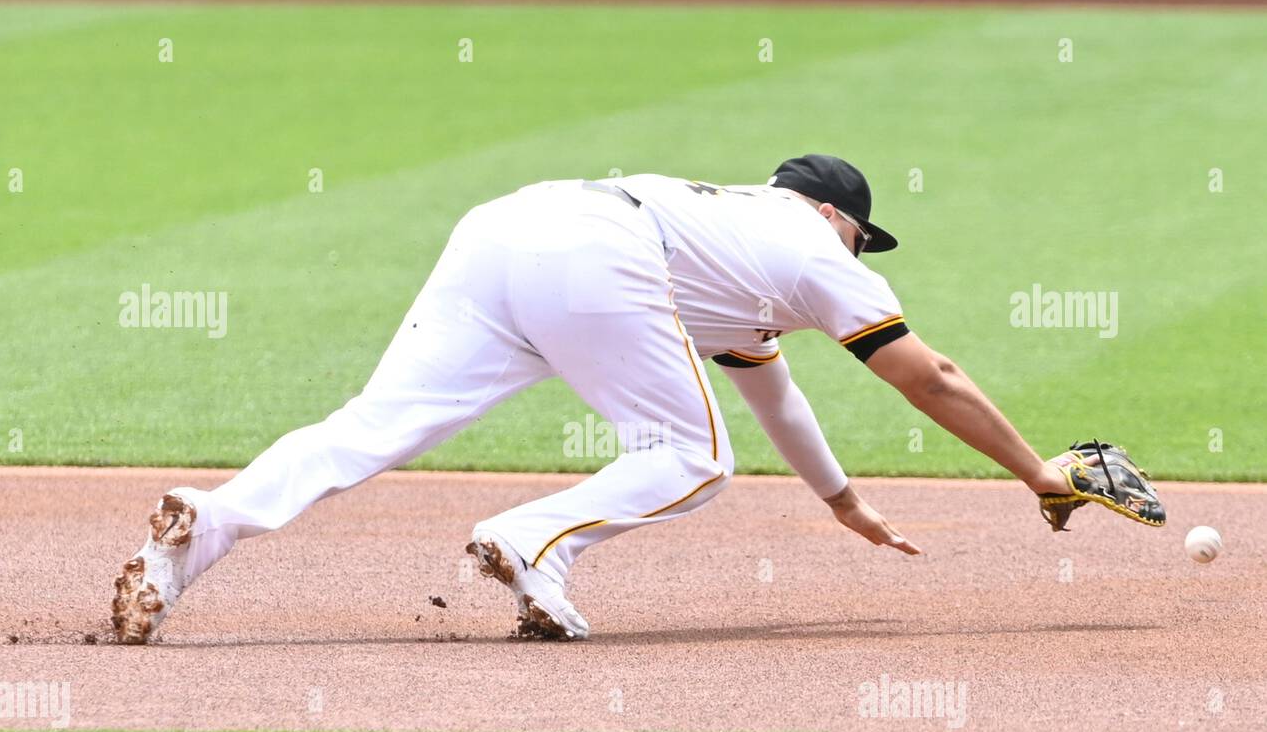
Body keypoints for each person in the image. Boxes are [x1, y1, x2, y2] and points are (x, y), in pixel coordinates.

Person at [112, 154, 1071, 644]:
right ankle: (534, 542)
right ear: (836, 217)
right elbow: (929, 375)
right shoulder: (818, 249)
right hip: (601, 250)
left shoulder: (733, 242)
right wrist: (1037, 471)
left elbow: (773, 391)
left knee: (370, 425)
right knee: (692, 459)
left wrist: (844, 501)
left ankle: (207, 525)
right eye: (865, 236)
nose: (862, 255)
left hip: (505, 227)